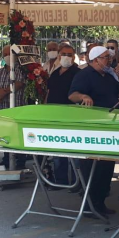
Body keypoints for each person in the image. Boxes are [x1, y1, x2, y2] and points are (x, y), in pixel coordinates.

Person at [68, 46, 119, 217]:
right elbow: (72, 95)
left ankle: (100, 202)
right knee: (92, 167)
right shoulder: (84, 74)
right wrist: (83, 96)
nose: (109, 60)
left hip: (109, 124)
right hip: (92, 127)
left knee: (107, 166)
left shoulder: (109, 75)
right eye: (105, 57)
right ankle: (89, 205)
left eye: (109, 57)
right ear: (95, 59)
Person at [45, 43, 80, 185]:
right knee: (57, 150)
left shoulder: (77, 73)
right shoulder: (55, 73)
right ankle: (61, 180)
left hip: (71, 115)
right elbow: (49, 92)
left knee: (73, 150)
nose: (66, 57)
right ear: (59, 56)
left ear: (74, 57)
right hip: (54, 115)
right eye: (64, 54)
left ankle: (77, 181)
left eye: (69, 55)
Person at [0, 45, 28, 168]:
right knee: (6, 134)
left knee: (18, 134)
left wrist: (4, 92)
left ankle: (20, 161)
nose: (8, 56)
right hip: (4, 108)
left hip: (18, 107)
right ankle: (6, 159)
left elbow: (19, 83)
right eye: (5, 54)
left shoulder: (20, 70)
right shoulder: (0, 71)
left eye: (10, 54)